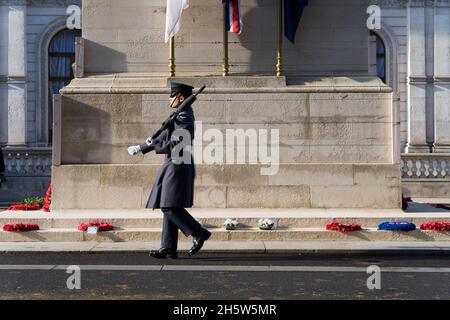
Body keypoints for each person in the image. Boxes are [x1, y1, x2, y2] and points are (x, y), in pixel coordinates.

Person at [128, 82, 211, 259]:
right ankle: (168, 246)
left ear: (181, 97)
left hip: (178, 164)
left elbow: (177, 143)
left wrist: (154, 145)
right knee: (170, 204)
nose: (169, 99)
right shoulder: (180, 115)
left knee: (168, 206)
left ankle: (198, 232)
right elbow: (164, 136)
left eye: (171, 95)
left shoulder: (184, 117)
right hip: (174, 163)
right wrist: (142, 147)